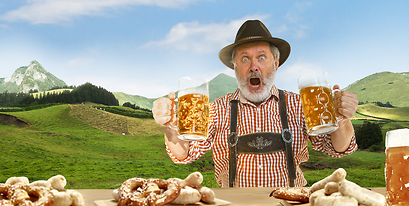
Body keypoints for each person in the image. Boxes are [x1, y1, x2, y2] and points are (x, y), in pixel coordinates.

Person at [152, 20, 359, 187]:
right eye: (244, 59)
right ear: (234, 67)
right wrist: (171, 126)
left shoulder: (300, 105)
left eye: (261, 57)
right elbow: (184, 154)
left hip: (290, 202)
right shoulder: (216, 109)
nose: (254, 67)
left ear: (275, 63)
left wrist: (341, 118)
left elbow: (339, 148)